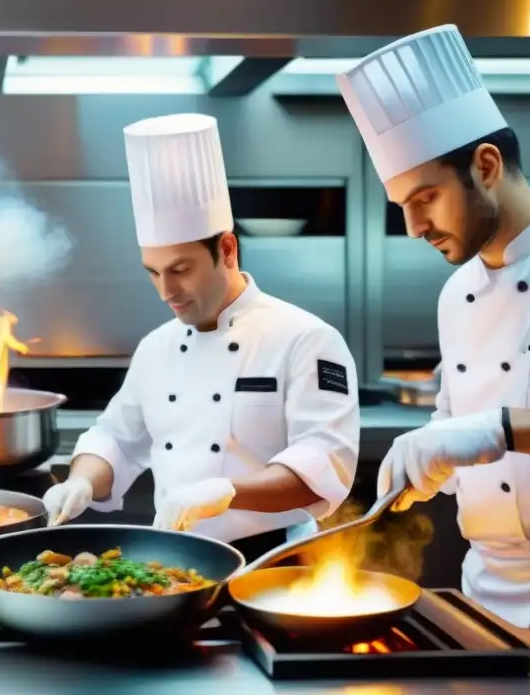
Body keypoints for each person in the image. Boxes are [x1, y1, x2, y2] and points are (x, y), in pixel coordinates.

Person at [336, 23, 530, 657]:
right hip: (485, 617)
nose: (414, 226)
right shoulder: (457, 295)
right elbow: (457, 425)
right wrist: (431, 462)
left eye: (425, 197)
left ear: (485, 166)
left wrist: (498, 429)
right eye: (401, 204)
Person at [42, 113, 360, 561]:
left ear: (226, 250)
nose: (166, 291)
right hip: (176, 562)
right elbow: (115, 438)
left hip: (276, 565)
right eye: (152, 272)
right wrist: (80, 481)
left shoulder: (305, 339)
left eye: (181, 270)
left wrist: (226, 491)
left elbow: (325, 462)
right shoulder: (156, 348)